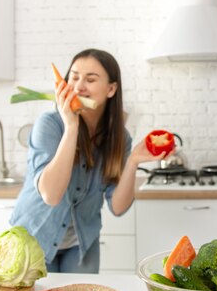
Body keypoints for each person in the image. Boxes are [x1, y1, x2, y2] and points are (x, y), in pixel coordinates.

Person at [10, 48, 164, 273]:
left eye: (90, 79)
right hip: (35, 237)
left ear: (111, 89)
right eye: (73, 77)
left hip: (81, 242)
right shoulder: (50, 125)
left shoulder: (119, 138)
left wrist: (132, 162)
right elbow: (51, 196)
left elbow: (118, 207)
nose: (79, 86)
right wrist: (71, 125)